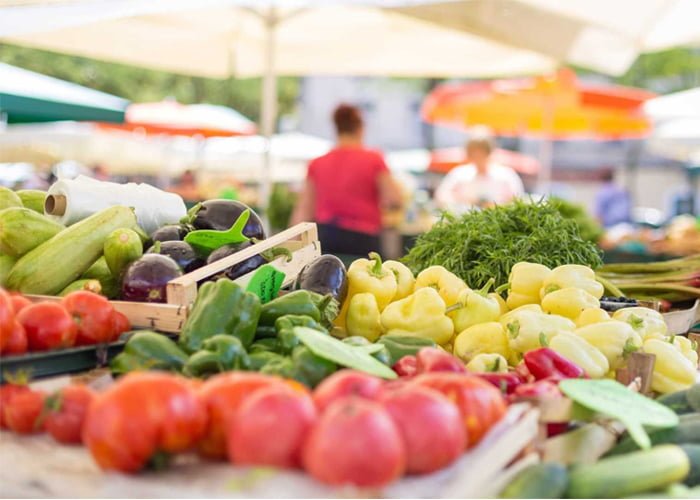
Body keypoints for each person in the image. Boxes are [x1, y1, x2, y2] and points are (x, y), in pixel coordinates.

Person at [291, 104, 403, 255]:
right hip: (363, 238)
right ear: (360, 128)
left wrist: (292, 246)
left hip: (326, 236)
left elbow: (304, 209)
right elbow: (394, 198)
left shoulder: (317, 163)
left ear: (336, 128)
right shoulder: (374, 159)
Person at [434, 129, 524, 212]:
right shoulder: (459, 174)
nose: (478, 157)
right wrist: (464, 200)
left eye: (481, 153)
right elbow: (441, 196)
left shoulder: (506, 176)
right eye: (474, 153)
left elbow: (517, 200)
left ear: (489, 152)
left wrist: (497, 205)